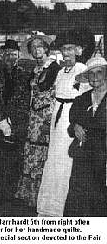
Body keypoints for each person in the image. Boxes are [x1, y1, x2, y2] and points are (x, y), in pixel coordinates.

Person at [37, 29, 94, 217]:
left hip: (71, 119)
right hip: (57, 118)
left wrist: (79, 124)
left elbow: (87, 101)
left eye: (70, 49)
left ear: (79, 50)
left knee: (65, 161)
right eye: (63, 49)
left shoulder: (83, 71)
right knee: (53, 159)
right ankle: (48, 207)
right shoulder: (61, 71)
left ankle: (63, 207)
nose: (66, 53)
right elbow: (55, 97)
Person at [15, 35, 61, 207]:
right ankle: (30, 195)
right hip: (34, 116)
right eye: (33, 48)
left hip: (46, 117)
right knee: (32, 152)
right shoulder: (35, 69)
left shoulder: (54, 68)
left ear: (46, 49)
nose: (36, 50)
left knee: (43, 153)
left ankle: (43, 197)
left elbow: (54, 94)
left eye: (39, 47)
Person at [0, 39, 33, 204]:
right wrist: (1, 121)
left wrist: (12, 122)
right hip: (0, 124)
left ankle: (13, 194)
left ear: (19, 55)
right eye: (7, 54)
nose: (10, 57)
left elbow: (26, 100)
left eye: (13, 54)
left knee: (16, 160)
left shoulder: (25, 75)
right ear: (1, 55)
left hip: (18, 124)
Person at [64, 57, 107, 216]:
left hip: (103, 158)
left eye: (99, 72)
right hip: (82, 157)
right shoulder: (81, 100)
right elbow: (70, 128)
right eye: (91, 74)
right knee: (78, 197)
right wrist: (75, 127)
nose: (95, 77)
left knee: (100, 197)